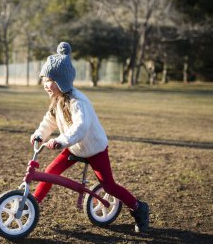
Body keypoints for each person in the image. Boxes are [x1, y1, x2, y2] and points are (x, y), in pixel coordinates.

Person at [30, 42, 150, 233]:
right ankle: (32, 204)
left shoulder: (78, 102)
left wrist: (61, 141)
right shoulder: (57, 100)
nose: (45, 85)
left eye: (49, 80)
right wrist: (39, 134)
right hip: (74, 147)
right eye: (43, 80)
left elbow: (81, 128)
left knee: (108, 186)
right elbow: (49, 121)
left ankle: (138, 207)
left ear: (61, 81)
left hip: (94, 149)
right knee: (50, 173)